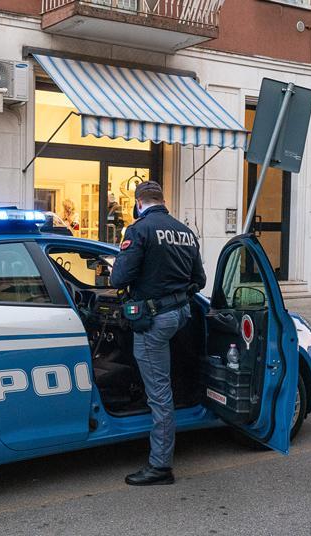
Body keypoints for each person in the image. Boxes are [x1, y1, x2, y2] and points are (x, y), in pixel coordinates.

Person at [110, 181, 206, 486]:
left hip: (153, 321)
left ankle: (160, 466)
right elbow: (199, 280)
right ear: (162, 200)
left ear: (139, 203)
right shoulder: (185, 232)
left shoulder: (139, 230)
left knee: (160, 394)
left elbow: (118, 278)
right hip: (180, 315)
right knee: (165, 381)